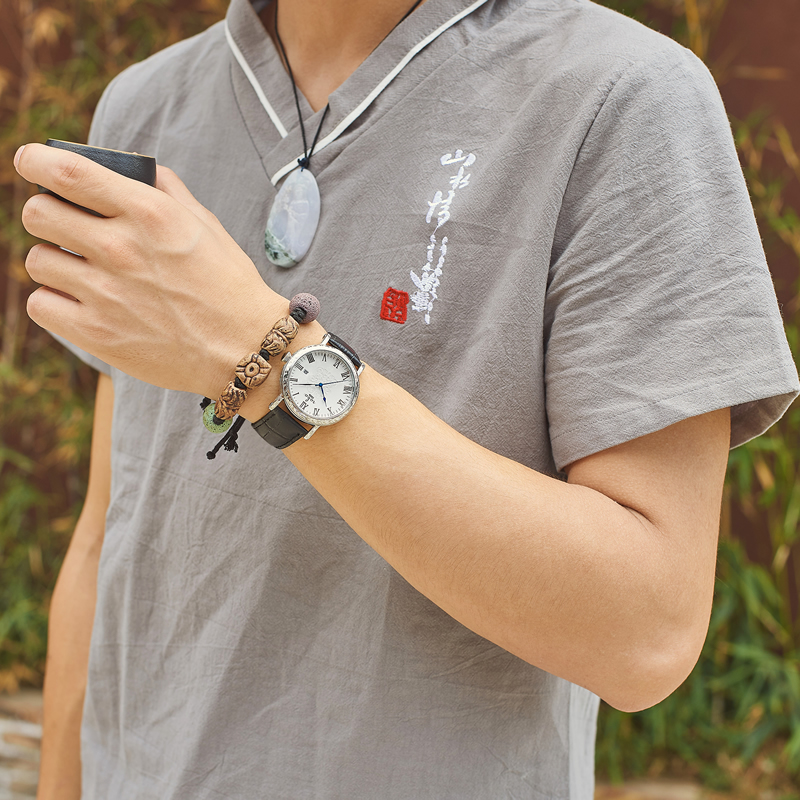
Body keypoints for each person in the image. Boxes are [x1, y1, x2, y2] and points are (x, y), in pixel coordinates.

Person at [17, 0, 799, 797]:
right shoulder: (148, 103)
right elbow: (110, 532)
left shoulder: (620, 95)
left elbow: (646, 632)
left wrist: (267, 356)